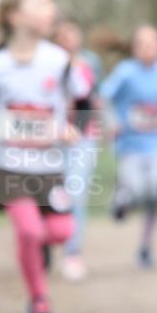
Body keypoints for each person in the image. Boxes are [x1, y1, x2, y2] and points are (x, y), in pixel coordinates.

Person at [0, 0, 86, 313]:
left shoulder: (59, 61)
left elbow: (83, 100)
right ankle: (38, 297)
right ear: (14, 16)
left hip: (49, 165)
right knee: (30, 232)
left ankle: (36, 252)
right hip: (10, 166)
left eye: (51, 3)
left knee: (62, 232)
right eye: (41, 3)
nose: (50, 9)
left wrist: (72, 127)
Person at [99, 25, 157, 268]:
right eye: (143, 44)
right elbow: (103, 99)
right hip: (130, 145)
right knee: (135, 189)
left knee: (154, 193)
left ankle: (146, 246)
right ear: (135, 49)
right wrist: (112, 122)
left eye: (154, 43)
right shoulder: (125, 72)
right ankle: (122, 198)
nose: (149, 49)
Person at [53, 18, 102, 281]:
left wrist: (80, 132)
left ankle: (73, 252)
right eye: (60, 34)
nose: (67, 38)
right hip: (50, 139)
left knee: (76, 193)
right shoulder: (45, 63)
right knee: (49, 193)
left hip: (82, 138)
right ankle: (46, 243)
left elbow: (91, 99)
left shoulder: (90, 63)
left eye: (71, 32)